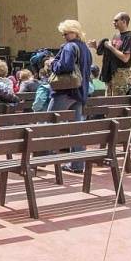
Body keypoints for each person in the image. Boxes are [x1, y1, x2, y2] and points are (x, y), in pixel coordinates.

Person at [49, 20, 92, 173]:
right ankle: (77, 164)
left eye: (66, 33)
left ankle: (42, 156)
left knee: (49, 121)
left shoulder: (69, 47)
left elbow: (64, 67)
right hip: (80, 92)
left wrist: (52, 64)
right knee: (76, 129)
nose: (64, 37)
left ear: (74, 32)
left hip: (65, 91)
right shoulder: (85, 48)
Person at [88, 12, 131, 96]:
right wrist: (96, 47)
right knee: (108, 98)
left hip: (121, 73)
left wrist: (110, 47)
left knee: (119, 100)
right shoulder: (116, 36)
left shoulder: (129, 37)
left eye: (116, 20)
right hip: (111, 72)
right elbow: (111, 54)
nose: (114, 23)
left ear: (124, 22)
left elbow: (125, 58)